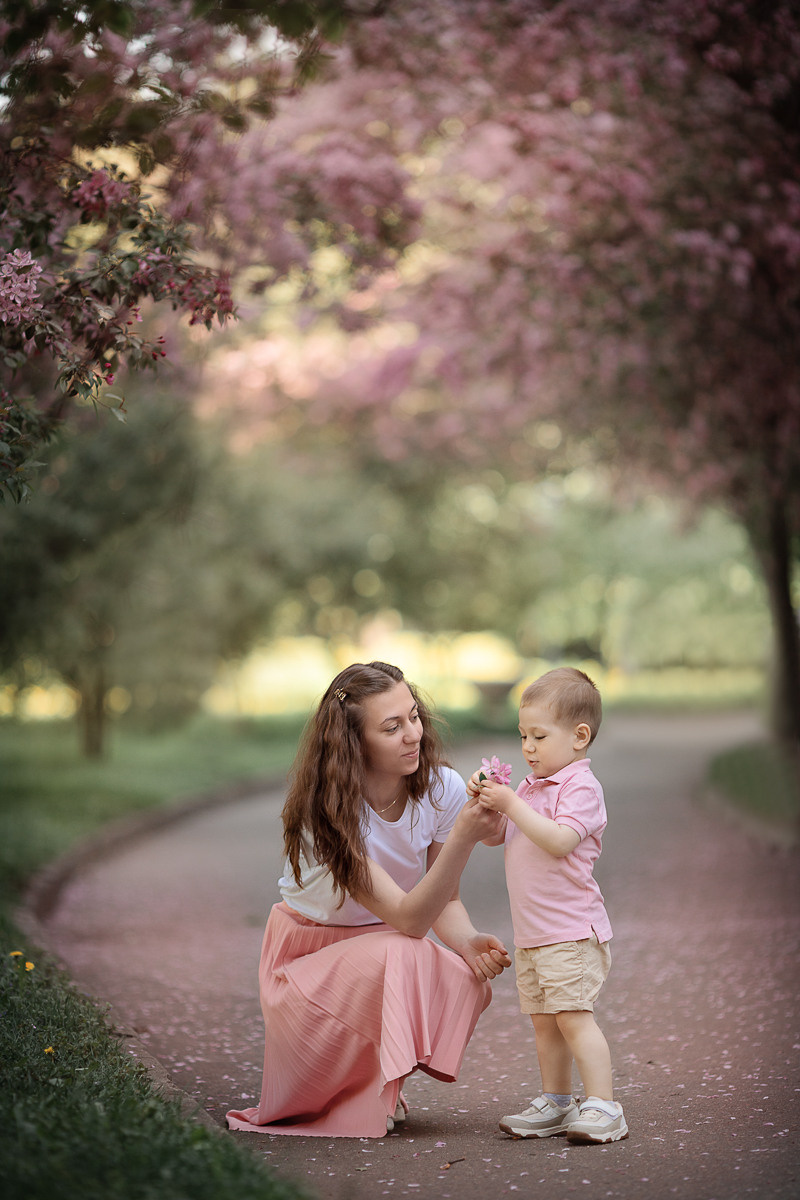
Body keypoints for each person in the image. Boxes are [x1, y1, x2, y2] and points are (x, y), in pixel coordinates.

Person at [226, 661, 511, 1138]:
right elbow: (409, 920)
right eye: (391, 727)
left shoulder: (440, 787)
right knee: (404, 949)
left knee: (466, 977)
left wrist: (467, 940)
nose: (413, 734)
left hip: (383, 948)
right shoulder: (329, 815)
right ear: (353, 743)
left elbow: (443, 902)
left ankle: (377, 1084)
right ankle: (353, 1091)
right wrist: (464, 836)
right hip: (305, 968)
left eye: (414, 717)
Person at [469, 667, 628, 1144]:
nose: (528, 748)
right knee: (544, 1023)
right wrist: (488, 804)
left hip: (571, 931)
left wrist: (513, 805)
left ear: (580, 737)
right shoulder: (532, 787)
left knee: (574, 1017)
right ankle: (558, 1102)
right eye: (522, 736)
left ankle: (604, 1105)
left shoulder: (581, 788)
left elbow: (559, 841)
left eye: (539, 736)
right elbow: (503, 837)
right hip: (534, 935)